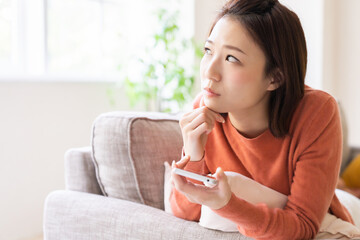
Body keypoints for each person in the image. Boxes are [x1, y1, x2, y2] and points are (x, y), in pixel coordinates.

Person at [169, 0, 358, 239]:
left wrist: (229, 205)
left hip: (333, 219)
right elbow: (184, 211)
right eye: (208, 51)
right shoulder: (204, 110)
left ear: (275, 77)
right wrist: (194, 155)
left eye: (231, 59)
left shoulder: (318, 111)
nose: (210, 71)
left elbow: (303, 226)